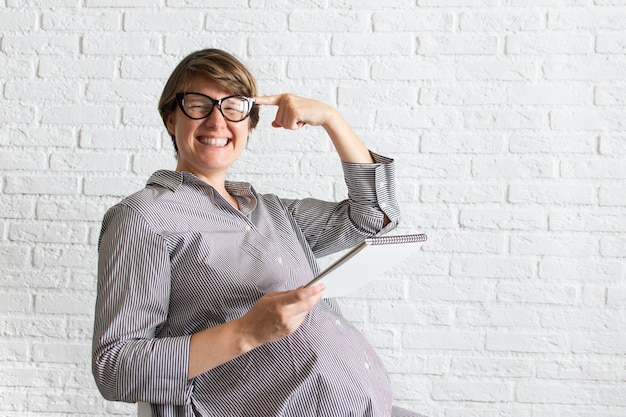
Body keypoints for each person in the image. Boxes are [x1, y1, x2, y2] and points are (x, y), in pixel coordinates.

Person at [92, 48, 425, 417]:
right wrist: (246, 331)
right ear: (171, 119)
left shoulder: (275, 212)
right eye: (199, 104)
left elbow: (374, 216)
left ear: (248, 124)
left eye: (233, 107)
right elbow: (116, 367)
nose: (217, 122)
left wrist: (332, 119)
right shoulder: (144, 218)